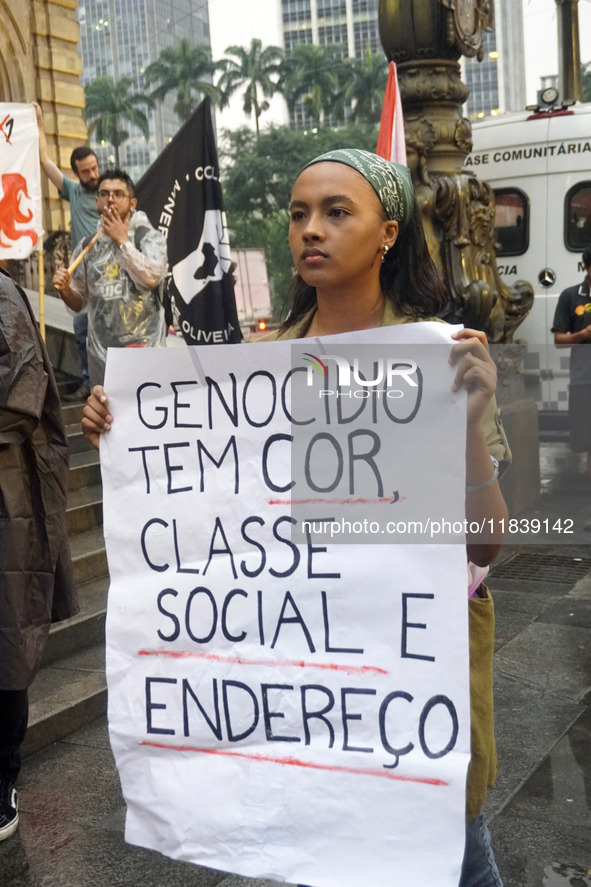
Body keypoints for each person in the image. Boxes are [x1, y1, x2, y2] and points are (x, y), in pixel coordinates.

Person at [81, 149, 510, 885]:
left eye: (336, 212)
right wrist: (123, 426)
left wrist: (467, 423)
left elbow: (486, 543)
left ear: (387, 232)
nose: (311, 229)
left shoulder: (438, 360)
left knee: (454, 861)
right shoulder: (261, 364)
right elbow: (220, 522)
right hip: (300, 697)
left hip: (404, 684)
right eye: (298, 213)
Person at [0, 268, 79, 842]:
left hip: (8, 502)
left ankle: (2, 782)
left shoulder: (3, 296)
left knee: (7, 643)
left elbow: (19, 398)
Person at [52, 168, 168, 387]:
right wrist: (65, 289)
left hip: (145, 350)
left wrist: (122, 241)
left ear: (132, 203)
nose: (110, 199)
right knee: (109, 417)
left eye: (118, 194)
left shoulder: (148, 238)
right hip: (104, 356)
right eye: (104, 194)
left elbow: (151, 278)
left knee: (148, 414)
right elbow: (80, 303)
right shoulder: (87, 247)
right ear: (97, 201)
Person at [34, 102, 100, 401]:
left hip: (109, 272)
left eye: (94, 168)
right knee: (81, 328)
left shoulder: (108, 192)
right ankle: (88, 380)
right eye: (85, 172)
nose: (92, 175)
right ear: (76, 173)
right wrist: (39, 124)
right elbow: (44, 160)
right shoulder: (73, 191)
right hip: (82, 275)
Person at [551, 244, 591, 477]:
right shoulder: (570, 296)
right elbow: (558, 340)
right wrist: (583, 335)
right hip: (583, 377)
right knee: (586, 438)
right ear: (586, 268)